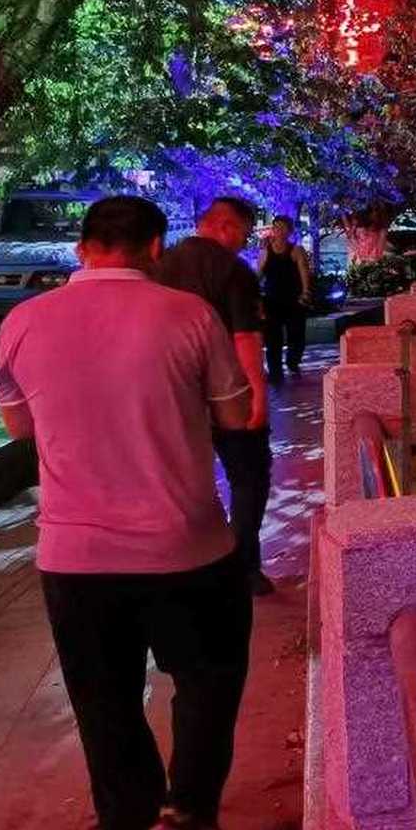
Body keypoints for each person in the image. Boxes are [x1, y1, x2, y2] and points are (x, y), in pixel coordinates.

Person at [0, 195, 253, 830]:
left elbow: (18, 424)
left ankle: (128, 817)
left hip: (76, 558)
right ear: (157, 247)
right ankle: (187, 807)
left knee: (103, 703)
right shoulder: (189, 315)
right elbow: (234, 414)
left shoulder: (24, 322)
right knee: (207, 681)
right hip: (186, 547)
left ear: (83, 249)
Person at [155, 197, 274, 598]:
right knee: (249, 477)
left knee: (181, 481)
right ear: (224, 225)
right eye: (243, 231)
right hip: (228, 394)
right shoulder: (232, 270)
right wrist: (258, 394)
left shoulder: (160, 266)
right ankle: (243, 568)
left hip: (171, 393)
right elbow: (244, 336)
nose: (244, 241)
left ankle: (190, 567)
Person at [260, 215, 314, 383]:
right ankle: (275, 372)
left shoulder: (296, 250)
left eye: (283, 227)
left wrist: (305, 293)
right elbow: (259, 272)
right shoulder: (265, 250)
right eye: (276, 227)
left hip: (293, 300)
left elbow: (304, 272)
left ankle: (293, 361)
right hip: (272, 300)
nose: (278, 231)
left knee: (296, 335)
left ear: (289, 231)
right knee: (272, 338)